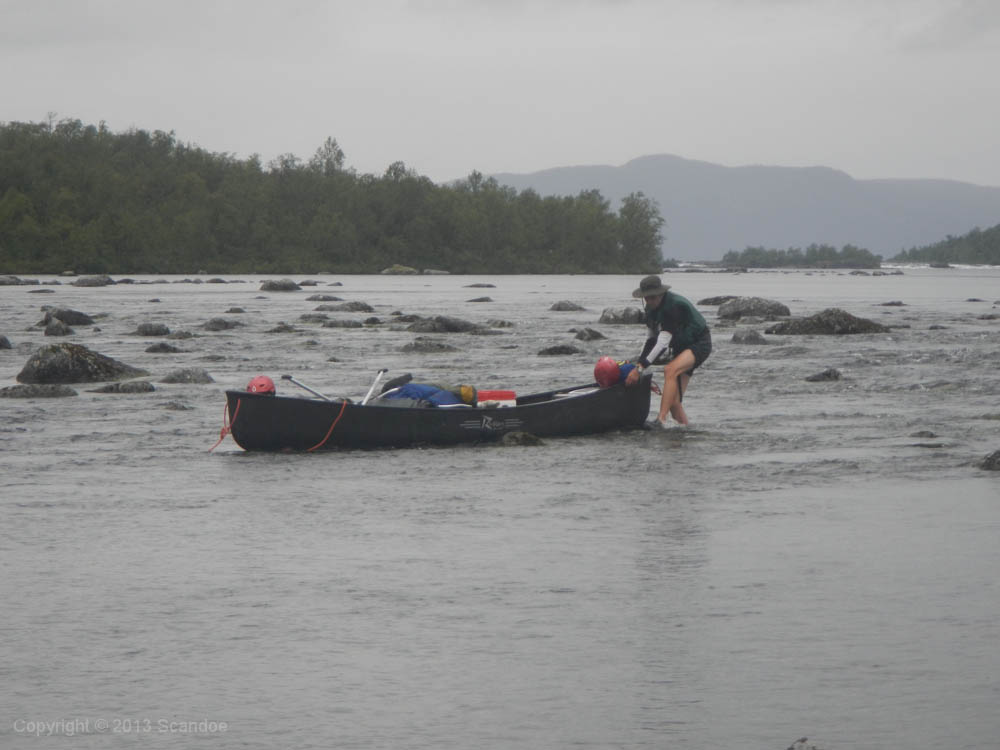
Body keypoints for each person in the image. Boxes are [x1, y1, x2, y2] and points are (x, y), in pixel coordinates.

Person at [624, 275, 712, 426]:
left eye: (653, 297)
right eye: (647, 298)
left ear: (661, 294)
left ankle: (661, 419)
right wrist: (639, 364)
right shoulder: (650, 309)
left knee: (670, 370)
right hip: (681, 347)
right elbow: (651, 340)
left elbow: (662, 343)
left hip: (700, 342)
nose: (650, 301)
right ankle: (685, 431)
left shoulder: (673, 307)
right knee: (674, 402)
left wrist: (640, 369)